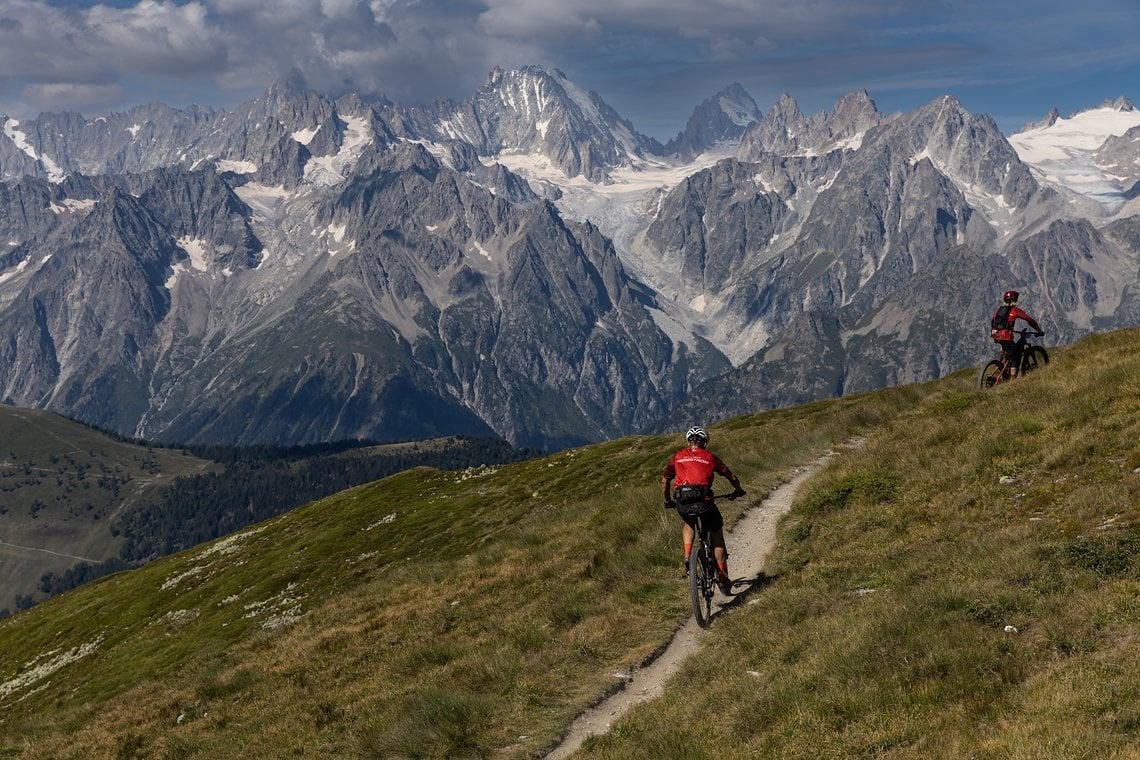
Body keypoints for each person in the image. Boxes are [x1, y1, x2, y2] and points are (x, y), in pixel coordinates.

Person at [662, 426, 745, 594]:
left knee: (688, 522)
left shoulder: (677, 457)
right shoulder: (710, 457)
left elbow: (665, 481)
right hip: (705, 502)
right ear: (705, 442)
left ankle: (687, 555)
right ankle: (721, 573)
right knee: (716, 532)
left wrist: (668, 501)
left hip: (683, 502)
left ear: (688, 441)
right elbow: (732, 477)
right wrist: (738, 490)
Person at [990, 290, 1043, 377]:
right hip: (1006, 336)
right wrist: (1038, 330)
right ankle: (1012, 379)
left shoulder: (999, 310)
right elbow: (1029, 319)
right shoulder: (1014, 310)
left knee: (1007, 351)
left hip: (996, 335)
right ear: (1013, 300)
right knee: (1015, 357)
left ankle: (1002, 366)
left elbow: (993, 321)